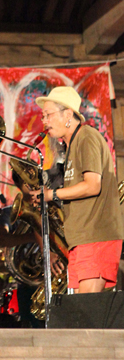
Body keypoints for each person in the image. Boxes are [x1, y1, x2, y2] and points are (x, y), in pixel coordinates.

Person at [32, 86, 124, 293]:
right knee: (85, 309)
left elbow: (92, 185)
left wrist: (52, 194)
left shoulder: (86, 137)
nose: (44, 121)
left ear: (67, 114)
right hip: (83, 239)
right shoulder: (73, 144)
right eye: (43, 116)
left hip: (95, 236)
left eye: (48, 115)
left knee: (87, 309)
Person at [0, 168, 42, 327]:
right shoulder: (9, 212)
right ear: (18, 184)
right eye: (25, 180)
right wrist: (33, 237)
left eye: (33, 178)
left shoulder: (49, 208)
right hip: (28, 279)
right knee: (30, 325)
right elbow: (1, 239)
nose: (30, 184)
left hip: (52, 273)